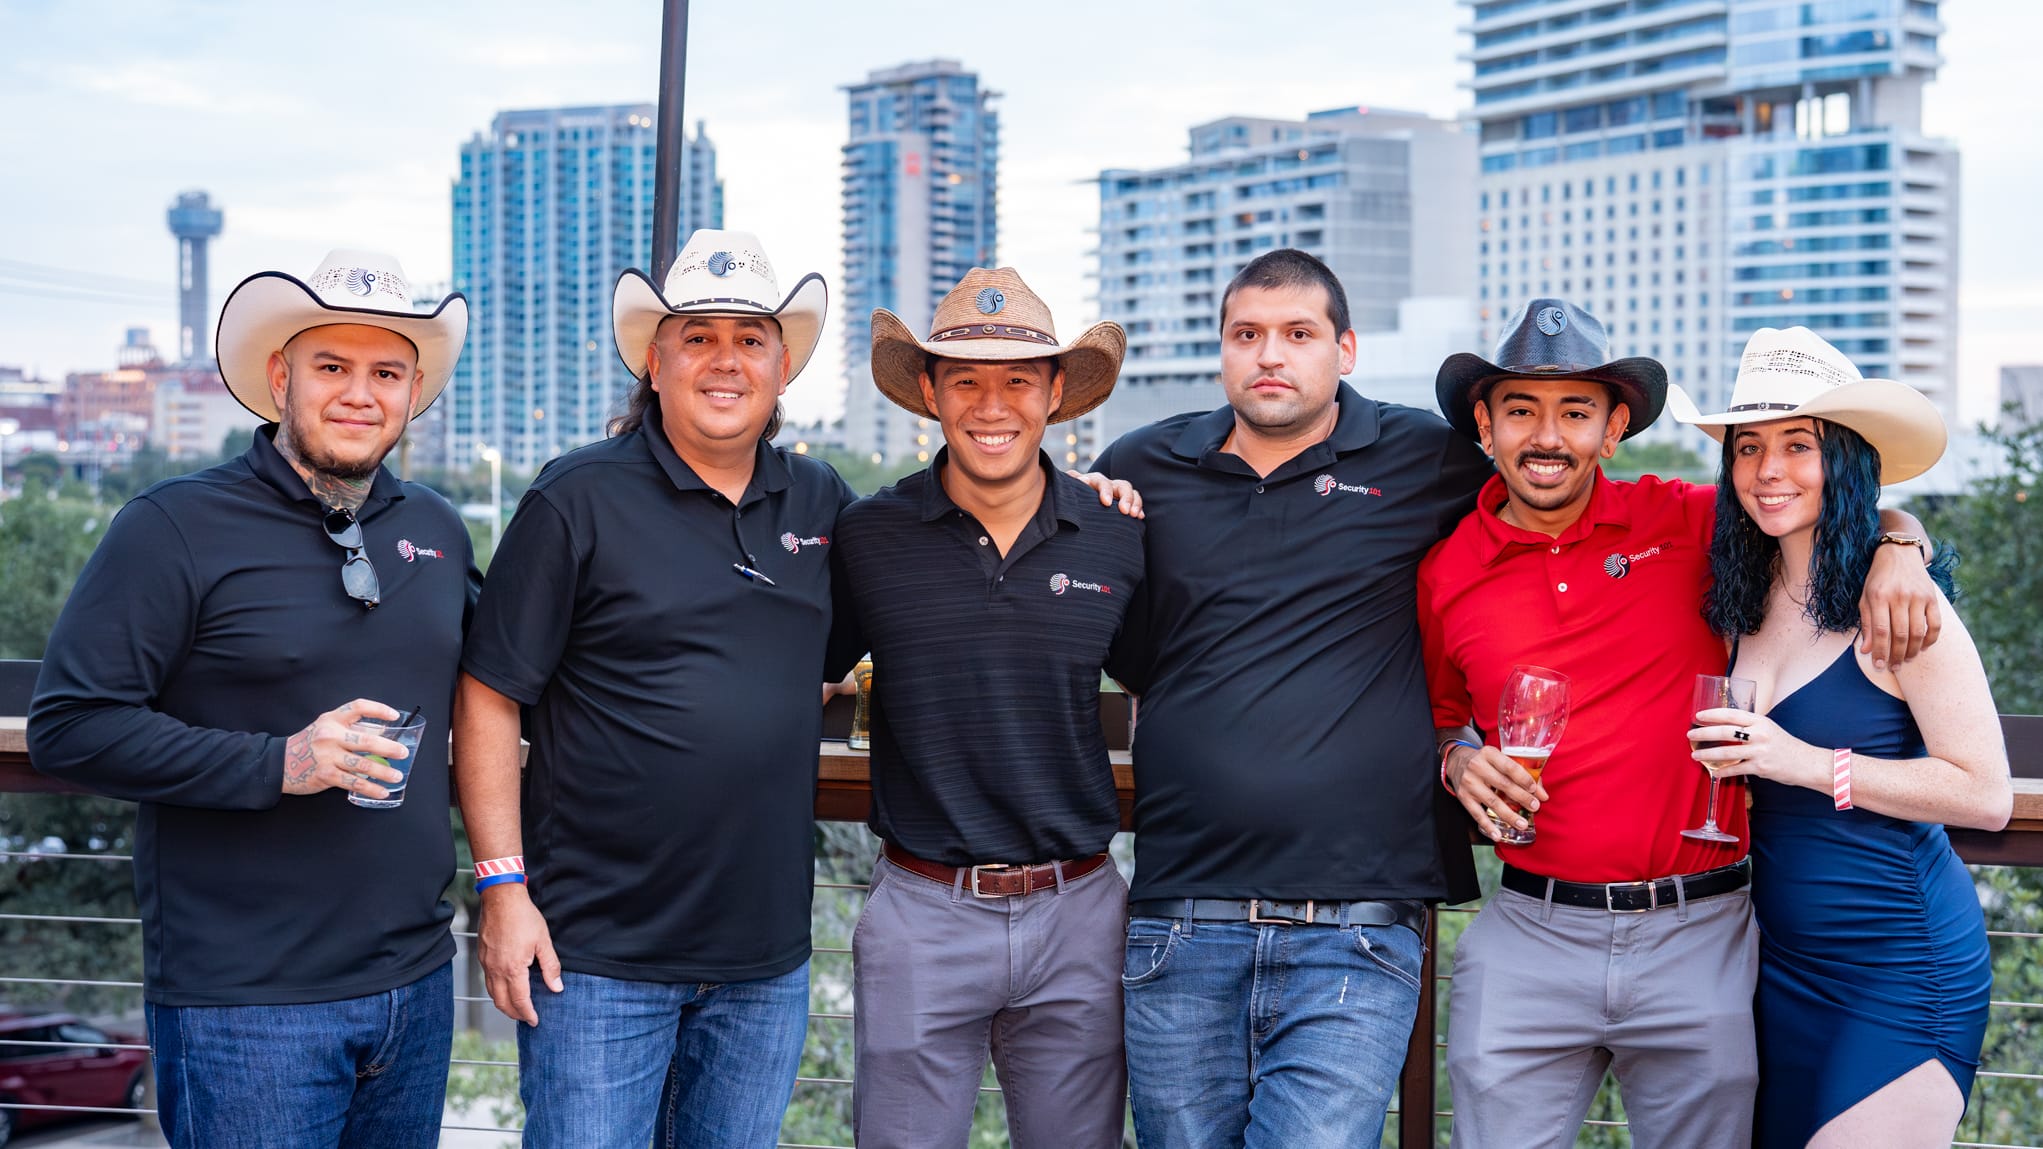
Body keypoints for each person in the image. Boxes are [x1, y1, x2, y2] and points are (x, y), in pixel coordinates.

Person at [1420, 302, 1944, 1149]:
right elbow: (1444, 718)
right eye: (1520, 409)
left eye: (1575, 411)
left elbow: (1813, 504)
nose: (1546, 436)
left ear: (1615, 426)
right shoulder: (1446, 570)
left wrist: (1899, 543)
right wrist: (1457, 759)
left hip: (1699, 934)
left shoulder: (1693, 522)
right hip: (1527, 932)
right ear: (1484, 424)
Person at [29, 250, 474, 1149]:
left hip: (418, 986)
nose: (360, 393)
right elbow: (69, 726)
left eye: (385, 371)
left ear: (412, 390)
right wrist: (281, 762)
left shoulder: (436, 527)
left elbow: (516, 680)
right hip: (245, 1007)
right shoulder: (171, 526)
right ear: (280, 379)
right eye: (332, 367)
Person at [451, 229, 855, 1149]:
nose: (725, 360)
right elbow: (488, 693)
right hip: (593, 959)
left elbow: (926, 567)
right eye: (698, 336)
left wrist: (1072, 494)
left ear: (781, 365)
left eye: (749, 338)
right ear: (654, 356)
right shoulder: (576, 498)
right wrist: (502, 889)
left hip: (764, 962)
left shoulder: (822, 500)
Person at [1092, 248, 1491, 1148]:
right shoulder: (1141, 466)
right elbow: (1087, 612)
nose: (1270, 353)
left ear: (1343, 349)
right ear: (1222, 350)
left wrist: (1889, 531)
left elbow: (1561, 525)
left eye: (1297, 334)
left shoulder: (1428, 460)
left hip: (1353, 926)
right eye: (1247, 334)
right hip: (1177, 915)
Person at [1670, 327, 2011, 1149]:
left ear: (1847, 459)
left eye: (1798, 444)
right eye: (1748, 447)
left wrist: (1804, 763)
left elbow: (1985, 794)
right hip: (1776, 969)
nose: (1768, 469)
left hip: (1899, 964)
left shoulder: (1901, 604)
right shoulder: (1738, 600)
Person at [833, 268, 1143, 1149]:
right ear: (929, 392)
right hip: (921, 909)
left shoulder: (1117, 531)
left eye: (1017, 379)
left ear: (1055, 394)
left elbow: (1184, 680)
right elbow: (790, 663)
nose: (991, 404)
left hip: (1080, 909)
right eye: (965, 379)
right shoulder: (869, 534)